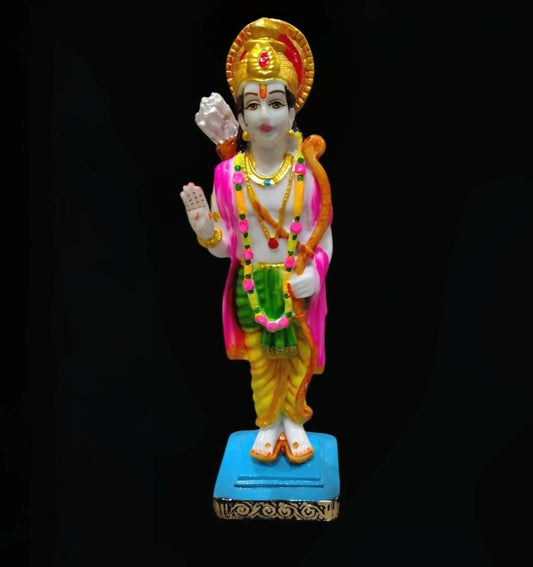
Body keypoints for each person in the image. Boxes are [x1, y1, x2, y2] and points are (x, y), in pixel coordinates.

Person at [180, 17, 333, 464]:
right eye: (253, 104)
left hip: (295, 284)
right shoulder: (227, 175)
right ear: (241, 118)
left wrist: (315, 273)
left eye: (276, 103)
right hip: (250, 284)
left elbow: (324, 236)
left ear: (293, 113)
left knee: (297, 356)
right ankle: (268, 423)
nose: (265, 115)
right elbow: (225, 246)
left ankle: (295, 421)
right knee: (261, 363)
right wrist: (204, 229)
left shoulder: (309, 173)